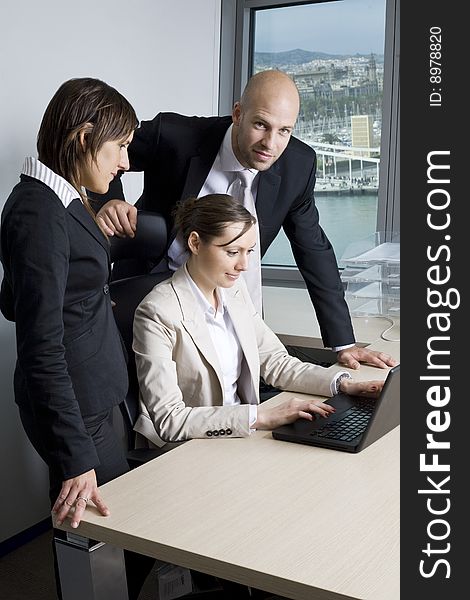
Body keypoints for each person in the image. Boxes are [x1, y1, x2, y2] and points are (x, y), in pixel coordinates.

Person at [93, 69, 396, 371]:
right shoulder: (176, 136)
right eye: (261, 125)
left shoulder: (298, 165)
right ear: (238, 113)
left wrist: (343, 342)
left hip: (230, 301)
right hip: (150, 289)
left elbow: (313, 249)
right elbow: (99, 148)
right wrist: (111, 201)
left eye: (284, 131)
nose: (270, 143)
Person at [0, 77, 152, 600]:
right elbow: (40, 348)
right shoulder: (38, 210)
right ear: (84, 136)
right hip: (75, 410)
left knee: (105, 538)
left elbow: (12, 298)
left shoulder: (61, 200)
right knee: (98, 543)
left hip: (92, 392)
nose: (125, 164)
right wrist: (74, 456)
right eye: (121, 147)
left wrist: (83, 299)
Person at [132, 194, 385, 448]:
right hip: (190, 446)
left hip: (242, 435)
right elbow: (169, 419)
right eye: (232, 252)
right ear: (196, 243)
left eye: (249, 251)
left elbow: (275, 362)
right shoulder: (158, 312)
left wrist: (343, 385)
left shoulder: (233, 289)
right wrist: (260, 416)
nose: (244, 265)